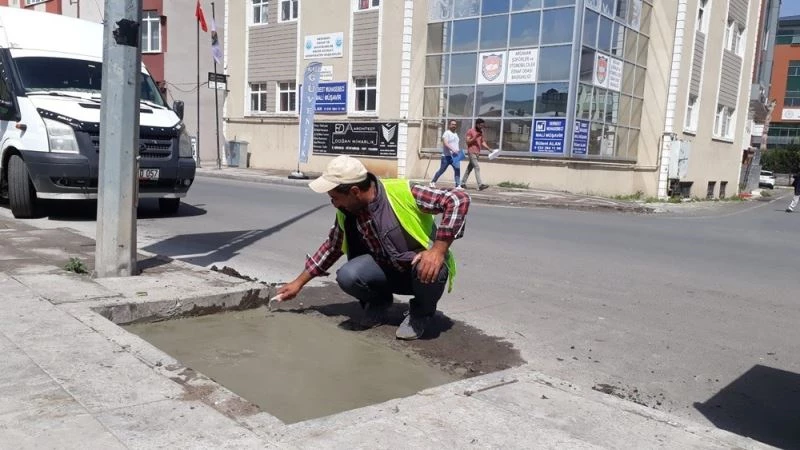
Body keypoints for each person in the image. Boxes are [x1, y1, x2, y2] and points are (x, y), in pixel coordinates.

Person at [276, 155, 471, 340]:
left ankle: (420, 314)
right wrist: (298, 283)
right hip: (386, 272)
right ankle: (379, 303)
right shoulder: (347, 211)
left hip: (420, 271)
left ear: (354, 192)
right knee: (348, 275)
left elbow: (458, 199)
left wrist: (437, 251)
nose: (334, 204)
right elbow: (332, 247)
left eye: (335, 197)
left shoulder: (402, 192)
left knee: (431, 267)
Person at [429, 120, 463, 189]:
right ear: (449, 125)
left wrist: (458, 151)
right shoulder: (446, 133)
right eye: (452, 124)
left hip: (455, 156)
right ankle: (432, 182)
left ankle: (458, 185)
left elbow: (456, 145)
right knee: (441, 170)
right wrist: (453, 150)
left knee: (457, 169)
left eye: (455, 124)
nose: (454, 126)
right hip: (446, 156)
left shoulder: (456, 134)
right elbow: (445, 143)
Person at [461, 118, 492, 191]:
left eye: (483, 125)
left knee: (469, 168)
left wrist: (489, 149)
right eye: (481, 125)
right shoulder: (470, 131)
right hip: (471, 152)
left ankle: (462, 183)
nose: (482, 126)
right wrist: (475, 137)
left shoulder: (481, 132)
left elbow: (482, 142)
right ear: (477, 124)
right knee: (477, 167)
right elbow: (467, 142)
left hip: (477, 152)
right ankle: (480, 185)